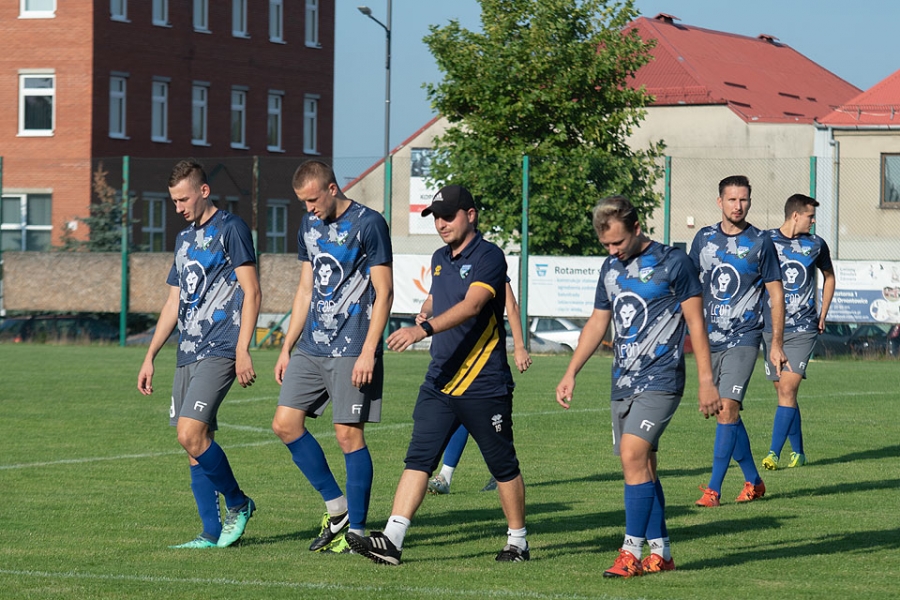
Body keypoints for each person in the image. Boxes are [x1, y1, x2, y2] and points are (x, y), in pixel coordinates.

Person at [346, 184, 529, 564]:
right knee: (419, 458)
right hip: (439, 380)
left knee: (502, 465)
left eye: (448, 216)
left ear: (471, 215)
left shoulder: (490, 257)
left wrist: (421, 331)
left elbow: (473, 305)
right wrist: (425, 310)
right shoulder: (440, 256)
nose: (441, 224)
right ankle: (393, 541)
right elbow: (439, 294)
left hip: (483, 382)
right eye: (436, 218)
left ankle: (518, 540)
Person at [556, 195, 721, 578]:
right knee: (644, 464)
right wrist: (571, 372)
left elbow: (696, 324)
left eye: (618, 242)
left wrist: (706, 381)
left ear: (636, 228)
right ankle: (661, 552)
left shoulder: (674, 263)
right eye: (606, 246)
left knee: (632, 455)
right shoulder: (610, 269)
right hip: (622, 381)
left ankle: (630, 551)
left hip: (662, 379)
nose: (613, 251)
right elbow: (598, 323)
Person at [137, 159, 261, 549]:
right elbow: (174, 301)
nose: (178, 208)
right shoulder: (184, 240)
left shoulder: (232, 229)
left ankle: (239, 504)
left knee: (190, 433)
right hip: (187, 352)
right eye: (174, 202)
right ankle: (210, 533)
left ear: (203, 191)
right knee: (193, 444)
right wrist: (150, 355)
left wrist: (243, 349)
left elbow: (252, 291)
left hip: (221, 348)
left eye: (183, 199)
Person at [272, 160, 393, 554]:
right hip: (311, 345)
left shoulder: (369, 223)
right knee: (285, 424)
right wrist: (287, 346)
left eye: (312, 200)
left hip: (352, 346)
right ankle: (337, 509)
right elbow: (305, 289)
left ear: (333, 188)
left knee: (347, 435)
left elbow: (385, 292)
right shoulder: (309, 226)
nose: (309, 208)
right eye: (302, 202)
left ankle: (356, 530)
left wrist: (368, 352)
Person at [689, 175, 787, 508]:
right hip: (709, 340)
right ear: (720, 202)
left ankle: (713, 490)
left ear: (749, 201)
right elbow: (689, 287)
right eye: (732, 200)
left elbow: (776, 292)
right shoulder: (703, 239)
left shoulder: (761, 241)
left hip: (744, 337)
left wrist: (775, 342)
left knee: (728, 408)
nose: (738, 205)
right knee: (725, 414)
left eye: (743, 199)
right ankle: (754, 481)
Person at [427, 280, 532, 495]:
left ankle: (501, 472)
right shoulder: (447, 261)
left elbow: (511, 305)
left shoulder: (489, 259)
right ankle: (446, 476)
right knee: (459, 411)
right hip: (455, 356)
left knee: (482, 416)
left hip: (485, 359)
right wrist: (423, 314)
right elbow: (432, 299)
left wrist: (519, 346)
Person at [761, 194, 835, 470]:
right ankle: (799, 453)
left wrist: (823, 312)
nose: (813, 221)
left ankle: (773, 454)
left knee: (788, 389)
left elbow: (829, 276)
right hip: (772, 328)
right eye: (810, 216)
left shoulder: (816, 245)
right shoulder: (767, 241)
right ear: (795, 215)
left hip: (803, 328)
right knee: (784, 393)